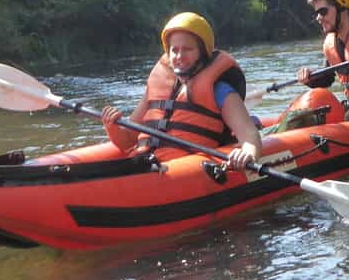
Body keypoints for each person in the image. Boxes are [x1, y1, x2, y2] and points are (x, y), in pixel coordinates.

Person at [101, 12, 262, 171]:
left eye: (188, 49)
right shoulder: (155, 89)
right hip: (144, 163)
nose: (179, 56)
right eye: (174, 50)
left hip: (183, 171)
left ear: (203, 52)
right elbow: (127, 140)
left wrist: (248, 154)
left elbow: (249, 135)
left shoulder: (220, 91)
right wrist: (112, 127)